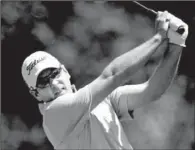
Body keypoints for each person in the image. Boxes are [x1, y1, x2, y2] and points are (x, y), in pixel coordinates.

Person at [21, 11, 188, 149]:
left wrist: (176, 43)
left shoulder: (99, 99)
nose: (53, 84)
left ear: (64, 71)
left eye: (54, 74)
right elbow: (113, 75)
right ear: (36, 94)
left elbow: (152, 91)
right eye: (43, 82)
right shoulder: (53, 114)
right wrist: (159, 37)